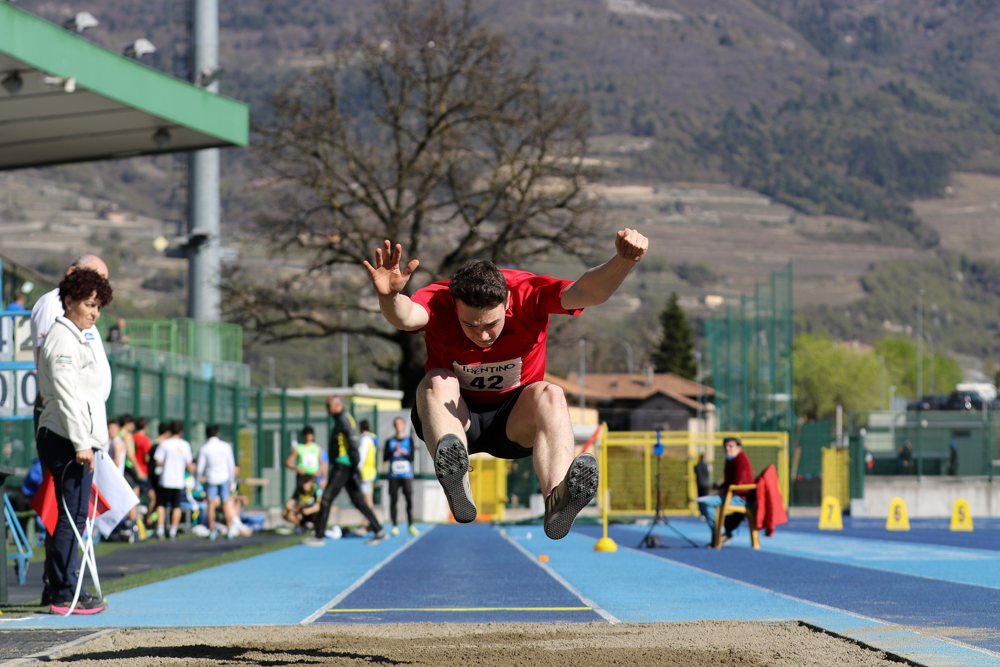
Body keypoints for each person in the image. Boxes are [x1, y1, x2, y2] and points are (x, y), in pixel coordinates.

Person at [362, 230, 648, 539]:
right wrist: (389, 297)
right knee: (437, 380)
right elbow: (407, 317)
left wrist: (623, 261)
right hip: (455, 417)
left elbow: (587, 292)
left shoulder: (527, 294)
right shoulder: (440, 299)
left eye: (491, 324)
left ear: (507, 300)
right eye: (470, 325)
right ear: (455, 305)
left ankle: (558, 498)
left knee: (551, 394)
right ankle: (457, 477)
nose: (482, 335)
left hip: (513, 421)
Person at [35, 267, 113, 614]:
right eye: (89, 305)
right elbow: (67, 395)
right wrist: (82, 443)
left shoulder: (75, 337)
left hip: (73, 439)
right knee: (71, 517)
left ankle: (68, 588)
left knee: (76, 516)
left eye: (99, 307)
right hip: (66, 440)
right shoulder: (63, 339)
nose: (95, 313)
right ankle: (64, 593)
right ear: (69, 301)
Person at [30, 255, 111, 436]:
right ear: (73, 272)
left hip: (84, 414)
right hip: (66, 417)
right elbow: (49, 362)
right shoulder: (54, 303)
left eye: (104, 281)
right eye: (96, 278)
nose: (101, 285)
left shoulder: (85, 311)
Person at [302, 396, 388, 546]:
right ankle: (379, 530)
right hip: (344, 466)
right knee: (358, 500)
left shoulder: (344, 419)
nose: (327, 408)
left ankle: (319, 536)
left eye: (329, 405)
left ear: (337, 405)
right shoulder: (340, 419)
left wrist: (355, 464)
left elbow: (353, 440)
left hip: (343, 466)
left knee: (326, 498)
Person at [697, 437, 754, 545]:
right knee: (704, 503)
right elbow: (730, 481)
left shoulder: (741, 459)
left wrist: (723, 490)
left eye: (731, 446)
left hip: (742, 497)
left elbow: (738, 482)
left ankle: (721, 533)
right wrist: (720, 487)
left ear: (739, 448)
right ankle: (721, 533)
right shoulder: (730, 459)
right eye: (725, 446)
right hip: (733, 495)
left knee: (704, 502)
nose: (727, 448)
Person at [154, 420, 194, 539]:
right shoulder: (185, 445)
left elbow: (158, 461)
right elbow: (189, 464)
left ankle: (160, 530)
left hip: (165, 480)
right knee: (176, 506)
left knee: (161, 504)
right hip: (178, 481)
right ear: (181, 431)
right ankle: (173, 530)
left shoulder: (165, 444)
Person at [196, 425, 238, 539]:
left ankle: (212, 531)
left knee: (211, 505)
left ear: (206, 435)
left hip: (211, 479)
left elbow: (199, 468)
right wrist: (232, 480)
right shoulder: (226, 446)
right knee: (226, 504)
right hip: (224, 478)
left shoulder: (204, 448)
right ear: (217, 434)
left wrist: (196, 482)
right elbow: (231, 464)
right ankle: (229, 529)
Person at [383, 417, 417, 536]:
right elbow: (384, 458)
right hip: (394, 475)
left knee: (408, 499)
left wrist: (401, 452)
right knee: (393, 499)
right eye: (396, 424)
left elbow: (412, 457)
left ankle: (410, 525)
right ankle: (394, 525)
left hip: (406, 475)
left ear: (403, 425)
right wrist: (393, 451)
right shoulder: (390, 441)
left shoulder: (409, 440)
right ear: (394, 426)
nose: (398, 426)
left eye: (400, 423)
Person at [354, 420, 379, 535]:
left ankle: (367, 524)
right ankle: (370, 524)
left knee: (367, 502)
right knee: (368, 500)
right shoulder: (373, 438)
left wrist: (357, 468)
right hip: (370, 472)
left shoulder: (365, 439)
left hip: (365, 474)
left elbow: (361, 456)